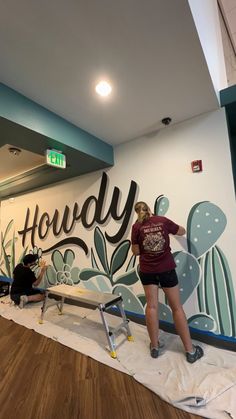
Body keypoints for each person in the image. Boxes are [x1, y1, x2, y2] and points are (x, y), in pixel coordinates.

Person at [131, 201, 204, 363]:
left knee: (151, 306)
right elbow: (181, 230)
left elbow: (135, 252)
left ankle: (155, 347)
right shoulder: (162, 221)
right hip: (166, 270)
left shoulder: (136, 227)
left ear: (137, 212)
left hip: (147, 271)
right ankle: (190, 352)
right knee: (177, 308)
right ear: (149, 209)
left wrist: (146, 248)